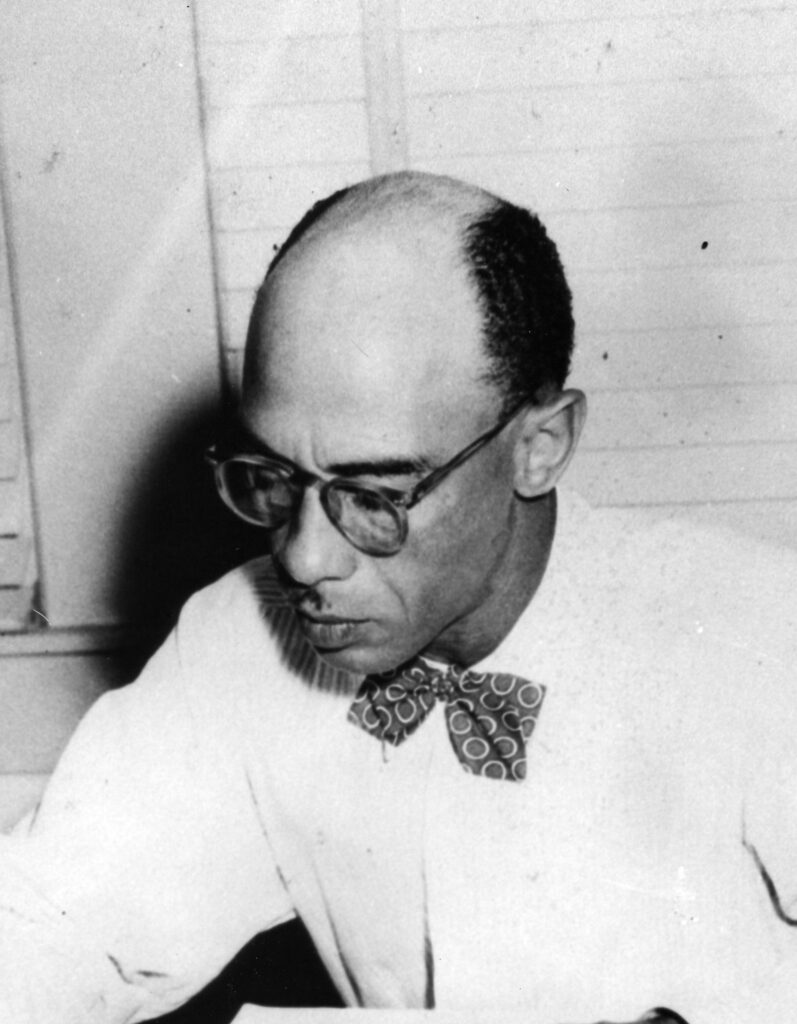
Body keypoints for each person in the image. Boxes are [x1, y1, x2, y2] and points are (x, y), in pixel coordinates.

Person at [1, 171, 796, 1024]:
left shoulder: (758, 637)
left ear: (539, 446)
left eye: (374, 495)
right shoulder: (241, 640)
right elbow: (50, 924)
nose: (304, 558)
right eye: (272, 476)